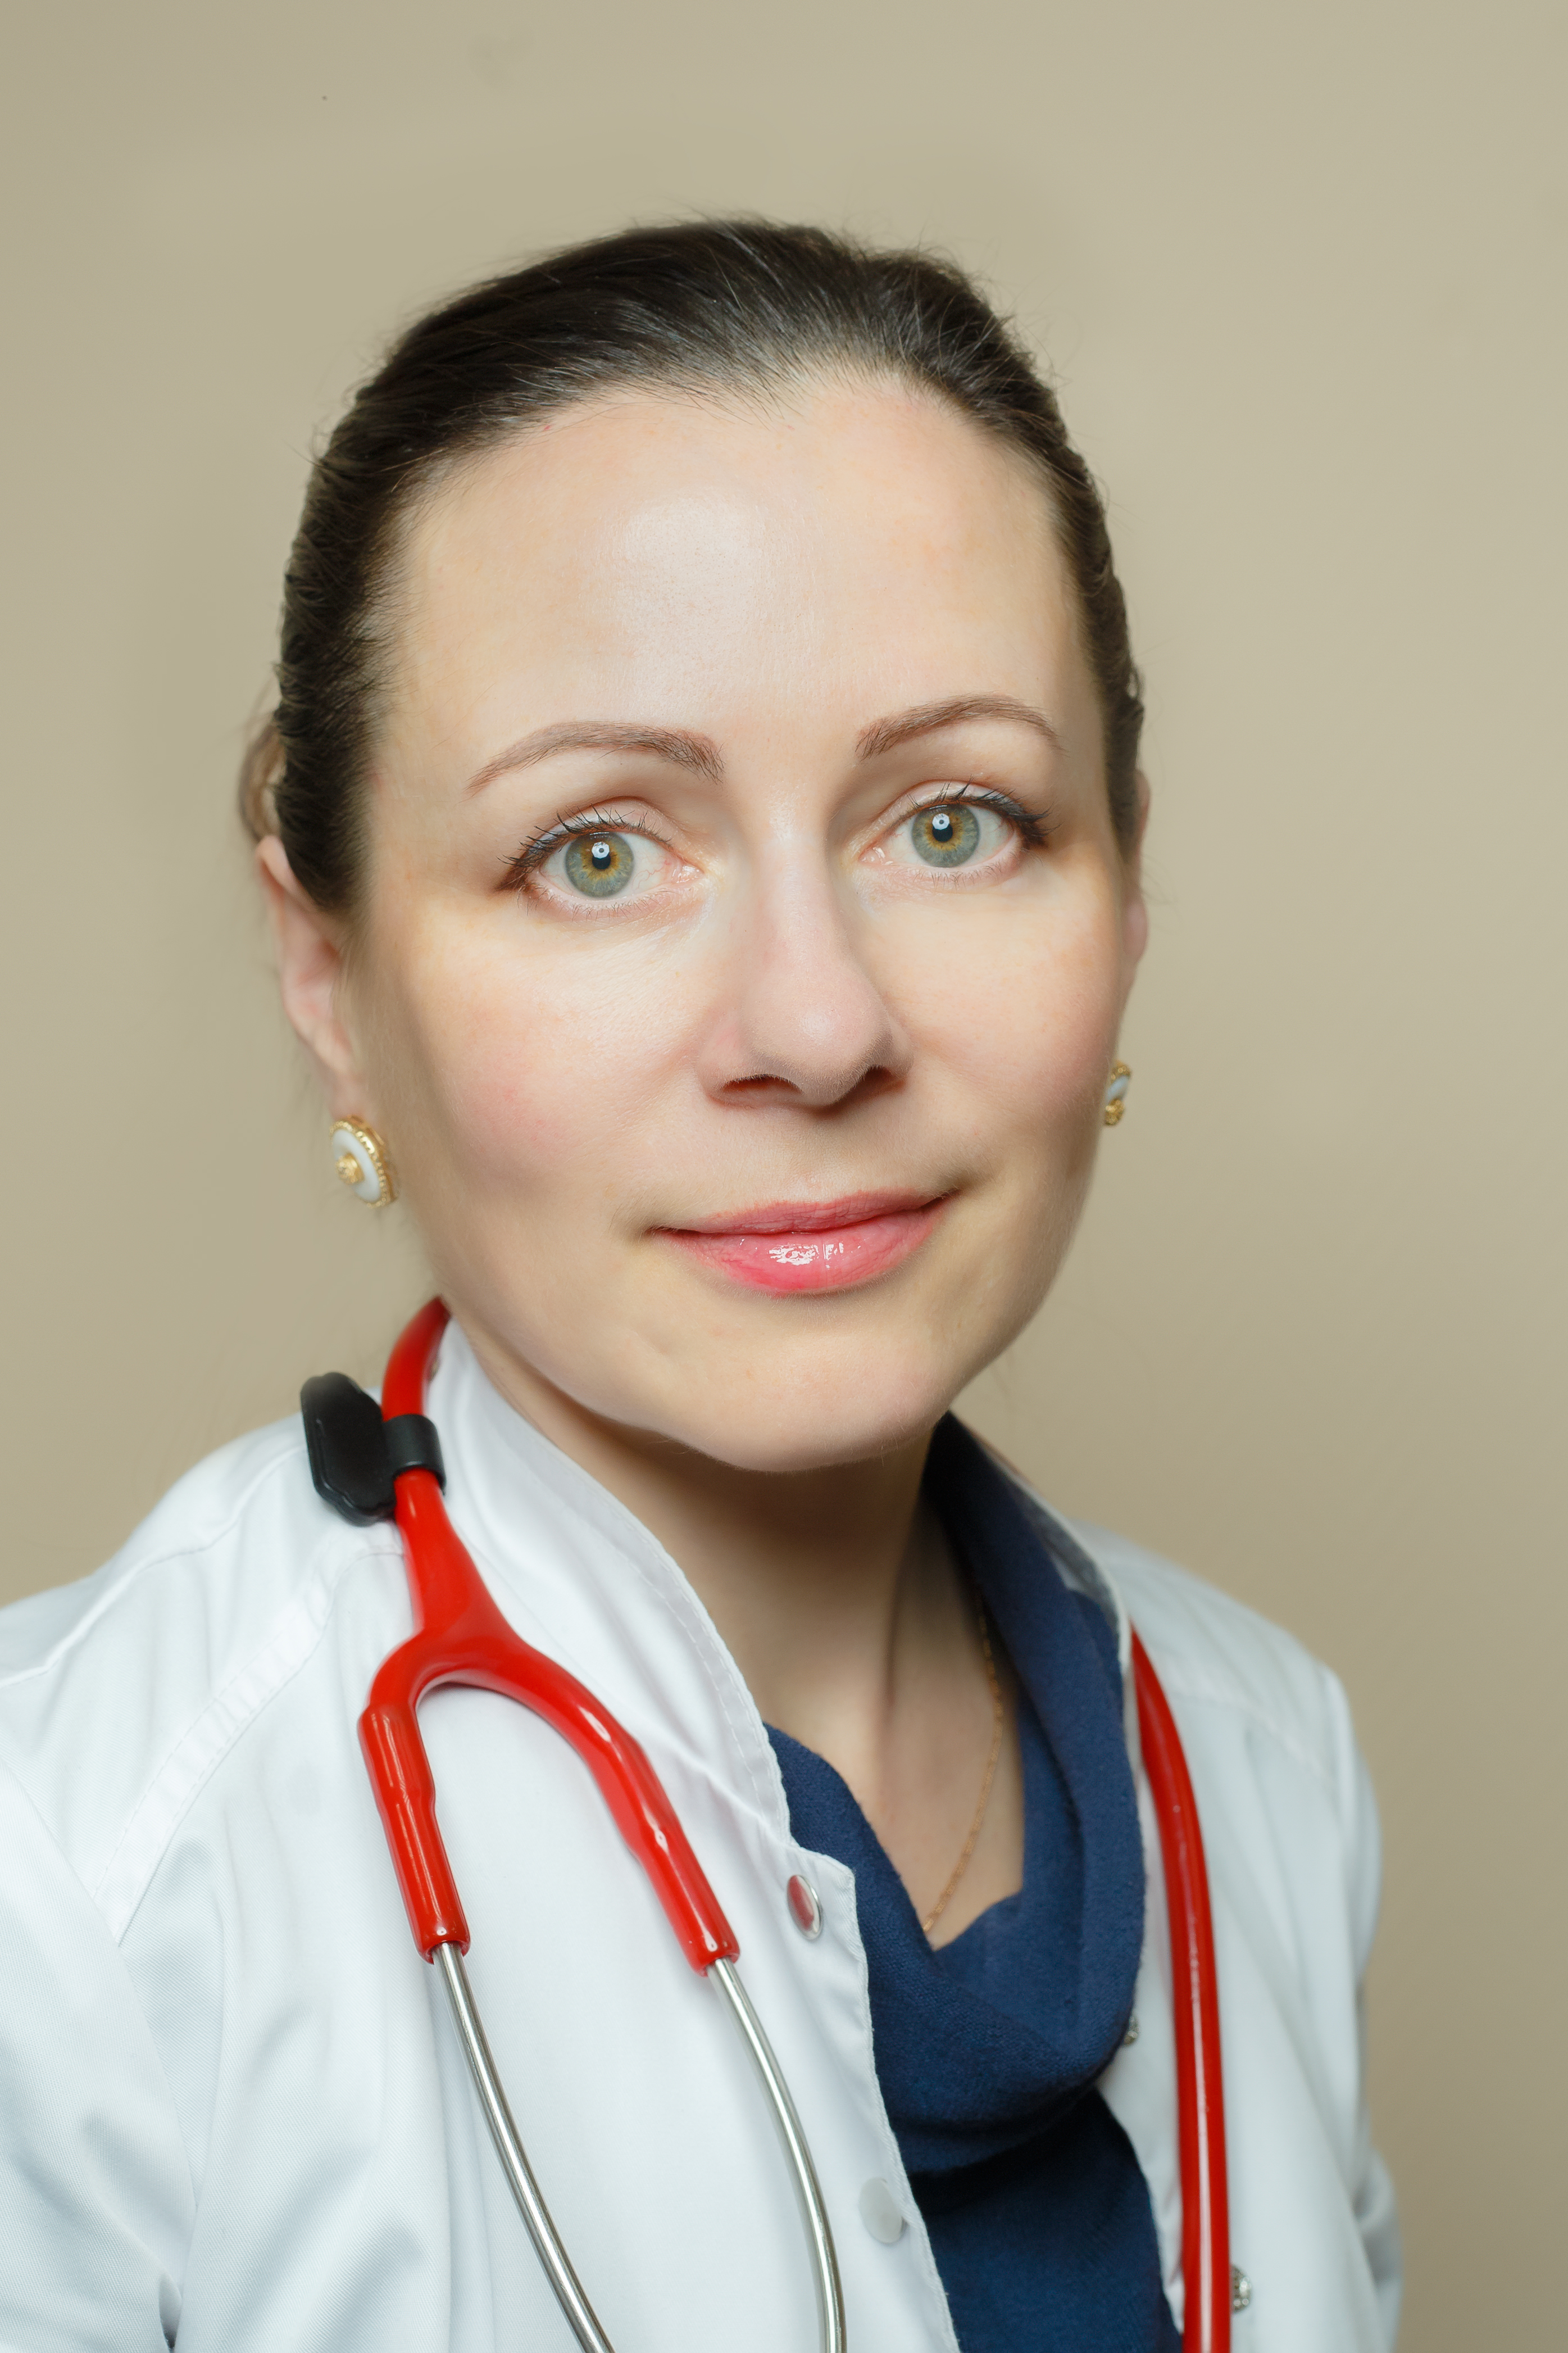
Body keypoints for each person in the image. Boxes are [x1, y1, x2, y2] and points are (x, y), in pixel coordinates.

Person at [0, 221, 1399, 2352]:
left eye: (955, 823)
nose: (818, 1028)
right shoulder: (64, 1874)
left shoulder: (1268, 1760)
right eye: (599, 851)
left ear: (1126, 889)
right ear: (330, 975)